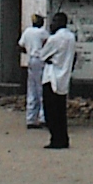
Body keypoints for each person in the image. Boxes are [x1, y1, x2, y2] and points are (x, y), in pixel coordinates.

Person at [39, 11, 77, 149]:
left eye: (54, 21)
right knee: (61, 111)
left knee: (50, 111)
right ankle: (63, 138)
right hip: (64, 77)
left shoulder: (55, 39)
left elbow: (42, 55)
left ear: (61, 22)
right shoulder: (71, 37)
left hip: (51, 77)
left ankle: (55, 139)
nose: (51, 24)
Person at [17, 13, 49, 129]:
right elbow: (49, 45)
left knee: (32, 89)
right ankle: (43, 117)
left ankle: (30, 118)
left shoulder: (27, 32)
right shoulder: (42, 33)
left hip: (31, 60)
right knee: (42, 89)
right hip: (41, 61)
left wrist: (29, 51)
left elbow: (20, 46)